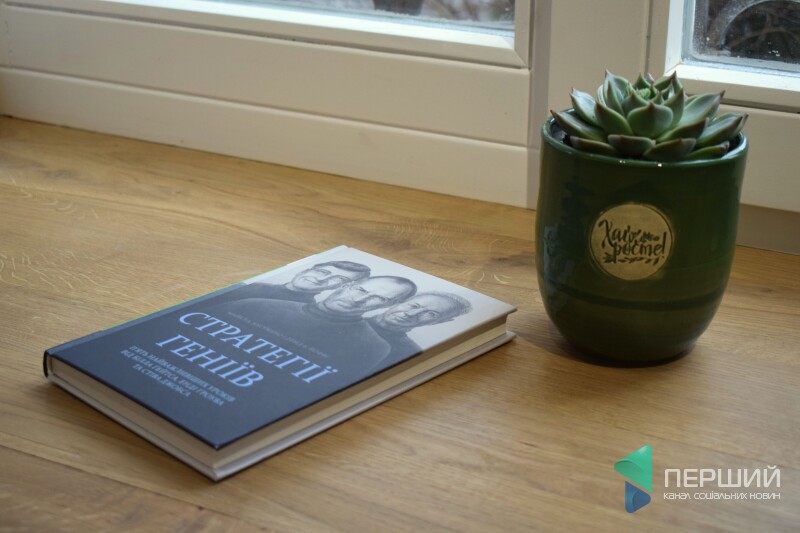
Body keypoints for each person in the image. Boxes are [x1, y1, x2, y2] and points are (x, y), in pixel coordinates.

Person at [212, 276, 418, 387]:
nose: (358, 300)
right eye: (361, 290)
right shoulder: (254, 304)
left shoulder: (373, 347)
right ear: (348, 286)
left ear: (387, 306)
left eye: (378, 298)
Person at [367, 292, 473, 364]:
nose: (411, 314)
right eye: (414, 306)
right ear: (399, 303)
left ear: (439, 322)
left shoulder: (409, 353)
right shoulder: (356, 318)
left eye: (431, 314)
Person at [233, 261, 371, 304]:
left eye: (339, 278)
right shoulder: (252, 285)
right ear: (304, 270)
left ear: (342, 286)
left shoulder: (302, 309)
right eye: (322, 272)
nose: (321, 279)